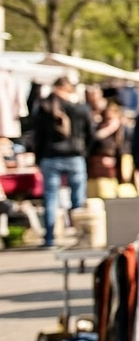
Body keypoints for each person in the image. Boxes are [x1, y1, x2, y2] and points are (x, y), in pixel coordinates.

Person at [32, 77, 93, 247]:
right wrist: (84, 152)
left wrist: (38, 157)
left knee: (51, 198)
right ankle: (79, 237)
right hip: (74, 155)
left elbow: (38, 136)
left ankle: (50, 237)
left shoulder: (44, 106)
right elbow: (90, 133)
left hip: (50, 156)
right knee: (77, 199)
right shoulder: (79, 107)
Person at [88, 96, 125, 199]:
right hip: (100, 168)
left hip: (115, 170)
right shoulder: (99, 127)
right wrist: (109, 128)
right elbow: (95, 140)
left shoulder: (122, 130)